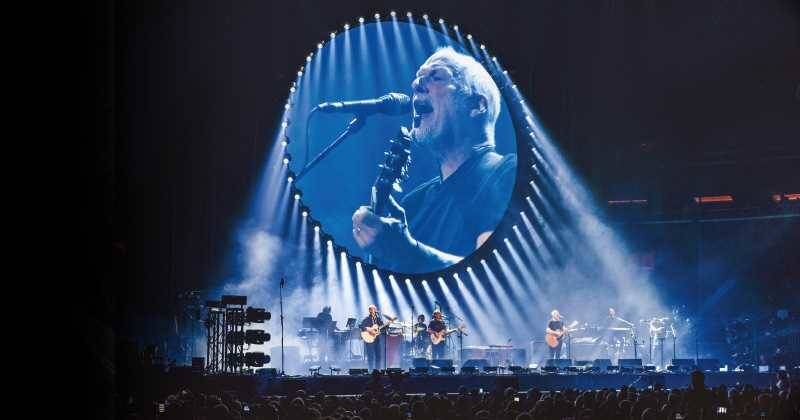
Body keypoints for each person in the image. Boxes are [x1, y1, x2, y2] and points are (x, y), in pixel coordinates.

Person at [352, 46, 517, 273]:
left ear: (477, 105)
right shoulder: (412, 205)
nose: (416, 84)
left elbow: (495, 275)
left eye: (435, 76)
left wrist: (409, 251)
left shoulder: (508, 174)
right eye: (418, 77)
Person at [359, 305, 383, 371]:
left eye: (374, 309)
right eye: (371, 309)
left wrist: (388, 324)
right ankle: (370, 371)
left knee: (378, 356)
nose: (372, 310)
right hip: (369, 339)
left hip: (377, 339)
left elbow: (382, 326)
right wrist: (369, 330)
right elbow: (361, 326)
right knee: (370, 356)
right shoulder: (367, 319)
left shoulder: (378, 319)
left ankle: (378, 371)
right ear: (369, 311)